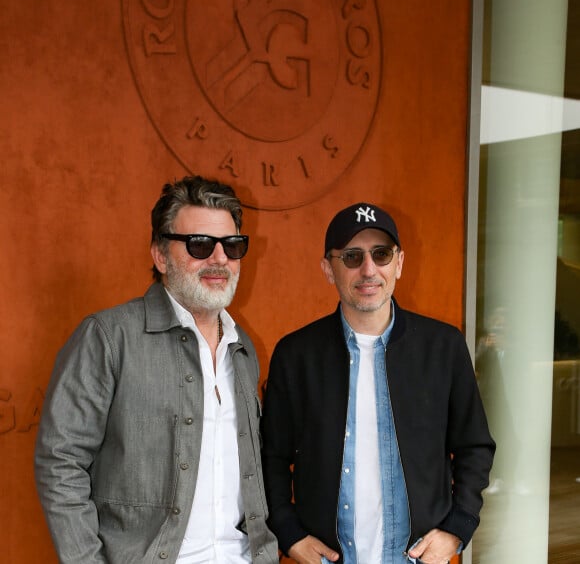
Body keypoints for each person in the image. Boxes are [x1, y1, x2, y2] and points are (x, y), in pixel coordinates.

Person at [34, 176, 278, 564]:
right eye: (199, 245)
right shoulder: (108, 337)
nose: (219, 260)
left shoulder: (242, 347)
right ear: (161, 255)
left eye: (232, 246)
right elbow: (60, 461)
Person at [261, 202, 495, 564]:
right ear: (328, 269)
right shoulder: (296, 355)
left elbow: (475, 446)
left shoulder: (443, 346)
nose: (368, 270)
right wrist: (289, 532)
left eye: (381, 254)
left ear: (398, 263)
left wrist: (457, 528)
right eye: (352, 257)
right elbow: (271, 456)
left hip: (414, 558)